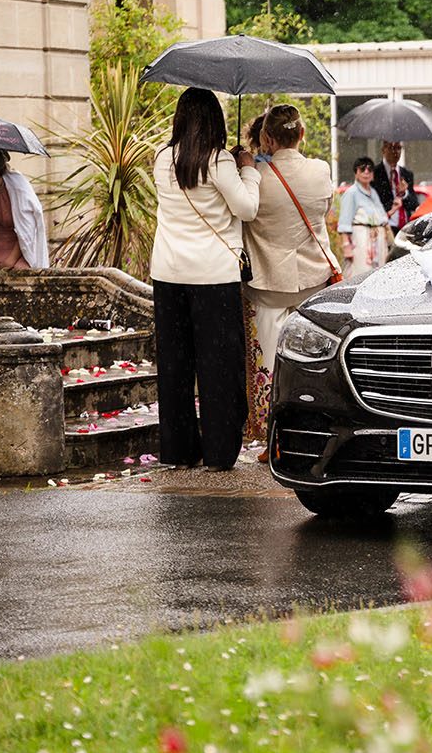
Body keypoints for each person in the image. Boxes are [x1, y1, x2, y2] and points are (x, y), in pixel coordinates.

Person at [151, 87, 260, 470]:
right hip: (213, 274)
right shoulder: (219, 161)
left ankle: (180, 450)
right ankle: (218, 452)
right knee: (219, 367)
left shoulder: (162, 157)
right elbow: (246, 209)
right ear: (215, 120)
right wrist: (248, 168)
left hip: (167, 272)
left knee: (176, 364)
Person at [241, 104, 338, 441]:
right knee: (311, 365)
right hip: (312, 282)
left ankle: (270, 438)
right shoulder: (320, 170)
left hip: (266, 283)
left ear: (266, 138)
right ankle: (310, 431)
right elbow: (325, 209)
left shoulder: (254, 179)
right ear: (302, 134)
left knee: (267, 366)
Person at [337, 156, 390, 277]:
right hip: (361, 241)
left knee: (378, 276)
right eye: (362, 169)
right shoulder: (351, 193)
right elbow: (344, 222)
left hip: (379, 242)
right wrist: (347, 246)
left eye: (370, 170)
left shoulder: (373, 192)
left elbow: (381, 218)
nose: (366, 172)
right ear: (356, 173)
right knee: (360, 275)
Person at [371, 141, 414, 232]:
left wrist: (404, 193)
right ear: (383, 150)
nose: (395, 152)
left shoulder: (406, 174)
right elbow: (375, 202)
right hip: (385, 226)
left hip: (405, 227)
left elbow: (414, 204)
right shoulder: (374, 174)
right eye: (391, 148)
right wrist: (392, 206)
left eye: (398, 148)